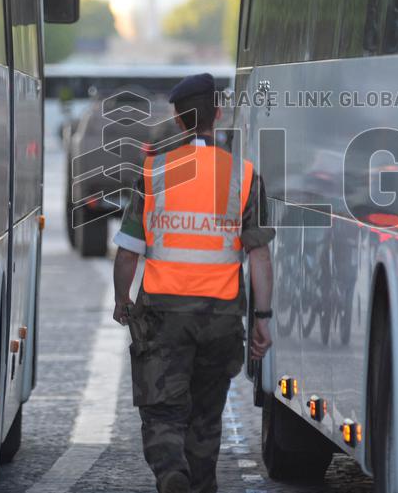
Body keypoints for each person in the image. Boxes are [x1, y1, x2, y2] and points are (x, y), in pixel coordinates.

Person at [111, 72, 275, 493]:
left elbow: (129, 250)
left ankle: (172, 475)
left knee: (163, 410)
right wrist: (262, 317)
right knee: (205, 416)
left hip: (163, 315)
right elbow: (259, 254)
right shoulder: (243, 175)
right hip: (220, 318)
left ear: (179, 119)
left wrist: (121, 299)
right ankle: (199, 484)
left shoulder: (155, 172)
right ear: (217, 115)